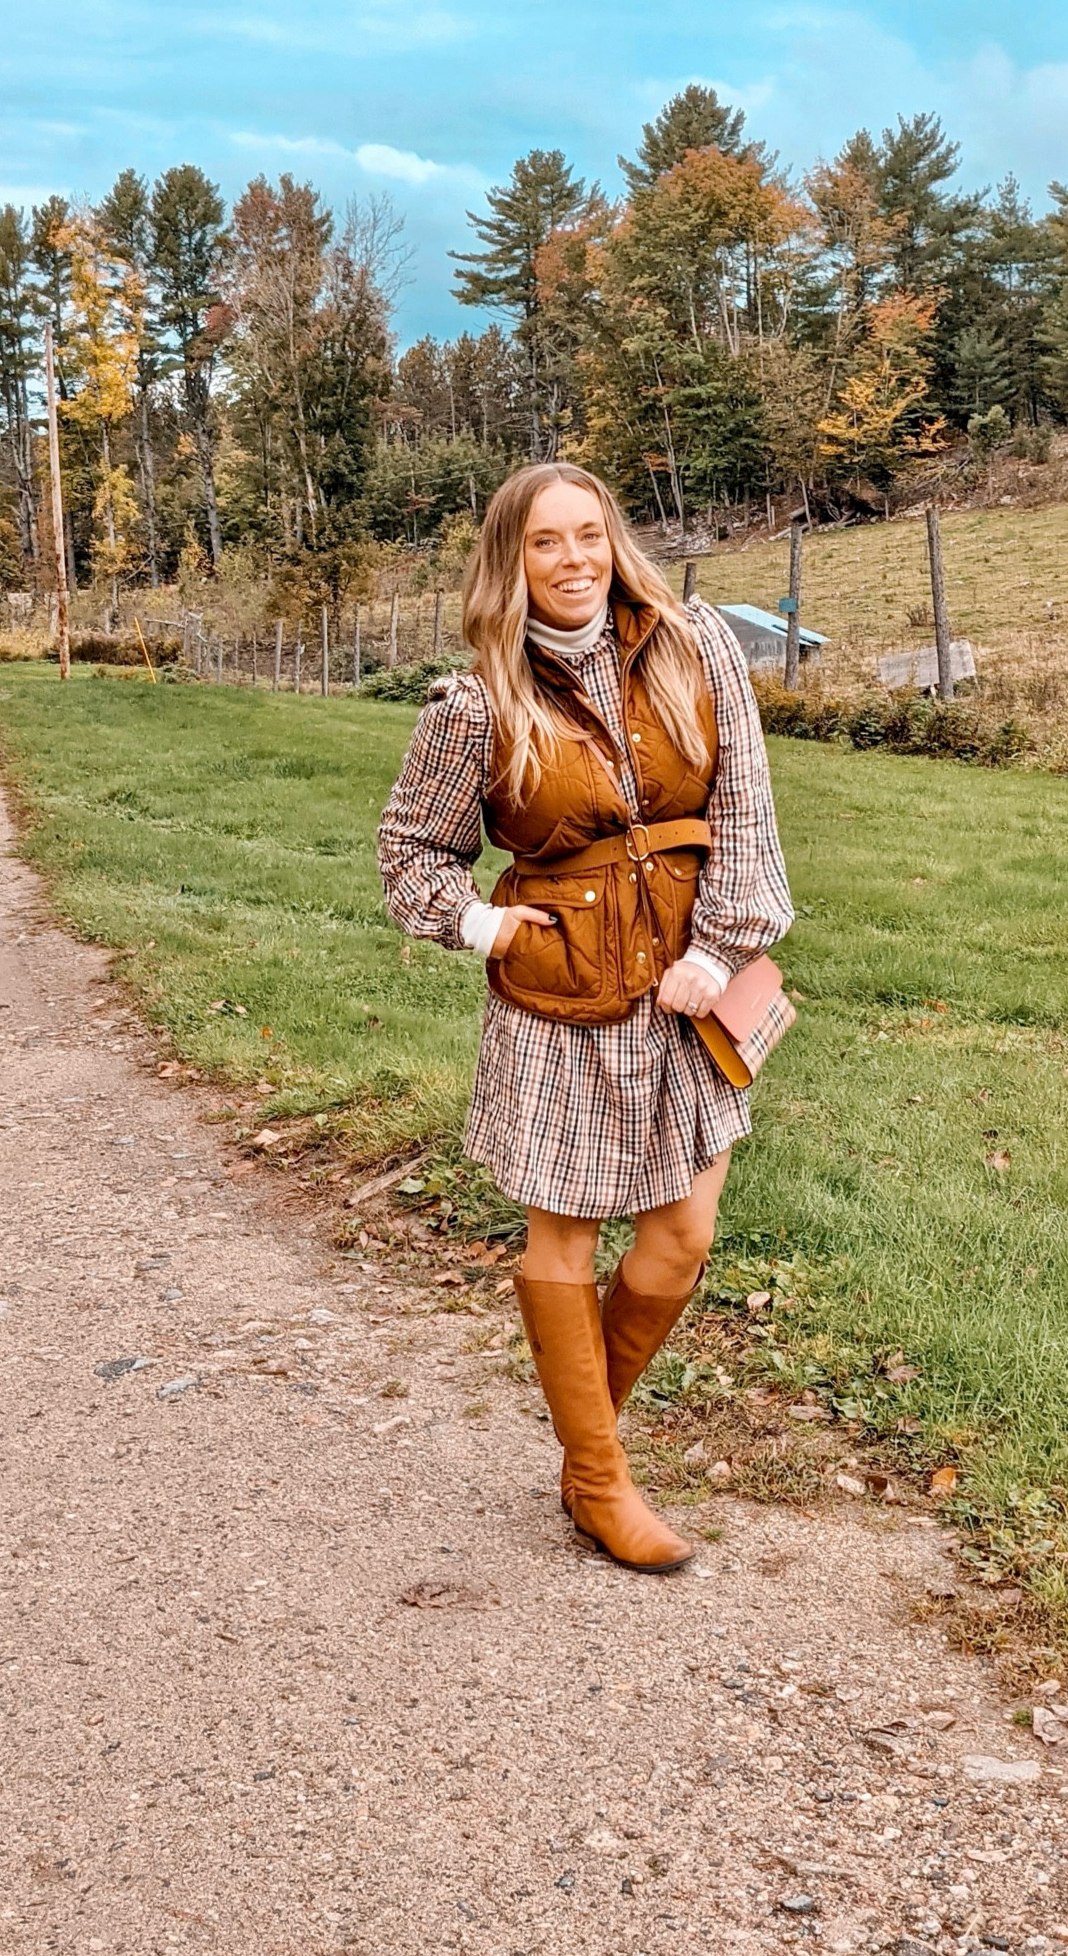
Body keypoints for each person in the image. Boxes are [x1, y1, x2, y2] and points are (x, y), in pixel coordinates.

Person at [378, 463, 793, 1573]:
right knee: (566, 1232)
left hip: (689, 983)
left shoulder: (694, 645)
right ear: (509, 562)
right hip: (560, 993)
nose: (574, 561)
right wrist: (477, 925)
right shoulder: (477, 701)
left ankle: (581, 1451)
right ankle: (602, 1478)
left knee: (683, 1231)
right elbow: (411, 854)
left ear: (617, 541)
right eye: (546, 544)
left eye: (590, 535)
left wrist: (720, 947)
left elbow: (744, 801)